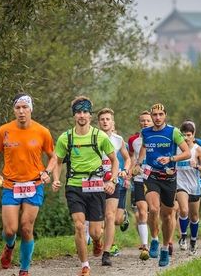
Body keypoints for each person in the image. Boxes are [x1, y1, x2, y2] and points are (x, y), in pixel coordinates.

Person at [52, 96, 120, 276]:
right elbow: (57, 161)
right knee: (79, 225)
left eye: (85, 112)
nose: (81, 115)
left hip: (96, 186)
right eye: (78, 112)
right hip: (74, 186)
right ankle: (85, 265)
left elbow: (114, 161)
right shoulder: (65, 138)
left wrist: (112, 180)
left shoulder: (100, 136)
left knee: (96, 232)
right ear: (74, 116)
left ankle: (98, 241)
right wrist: (56, 178)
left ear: (90, 116)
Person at [0, 94, 56, 276]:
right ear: (14, 110)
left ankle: (24, 269)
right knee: (10, 230)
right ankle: (9, 246)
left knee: (26, 227)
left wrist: (47, 172)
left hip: (34, 185)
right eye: (18, 108)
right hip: (11, 185)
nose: (21, 111)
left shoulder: (42, 131)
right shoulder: (4, 130)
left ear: (31, 109)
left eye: (25, 107)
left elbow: (53, 157)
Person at [133, 103, 191, 267]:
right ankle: (154, 240)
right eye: (155, 115)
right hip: (150, 175)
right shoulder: (145, 132)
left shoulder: (173, 132)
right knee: (154, 208)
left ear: (165, 115)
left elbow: (187, 152)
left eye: (160, 114)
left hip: (169, 177)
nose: (157, 118)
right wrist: (138, 163)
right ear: (151, 116)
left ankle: (165, 248)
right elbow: (144, 148)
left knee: (167, 215)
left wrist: (171, 159)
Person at [96, 108, 131, 266]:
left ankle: (107, 253)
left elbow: (127, 158)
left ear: (112, 122)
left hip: (113, 181)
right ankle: (97, 239)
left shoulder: (118, 139)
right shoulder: (92, 138)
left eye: (108, 119)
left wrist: (124, 170)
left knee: (110, 216)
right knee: (96, 219)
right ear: (98, 123)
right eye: (102, 119)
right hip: (94, 183)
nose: (105, 121)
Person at [176, 121, 201, 255]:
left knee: (194, 216)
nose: (186, 138)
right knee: (183, 210)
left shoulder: (198, 149)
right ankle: (183, 236)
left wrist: (196, 166)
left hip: (194, 185)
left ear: (193, 135)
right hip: (180, 184)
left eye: (188, 135)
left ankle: (193, 241)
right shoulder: (176, 148)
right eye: (183, 135)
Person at [128, 111, 153, 260]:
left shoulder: (159, 138)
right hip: (139, 179)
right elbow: (131, 156)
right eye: (142, 121)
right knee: (142, 212)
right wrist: (131, 170)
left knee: (156, 212)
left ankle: (156, 238)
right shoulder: (134, 140)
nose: (145, 123)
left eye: (147, 121)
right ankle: (145, 245)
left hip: (156, 179)